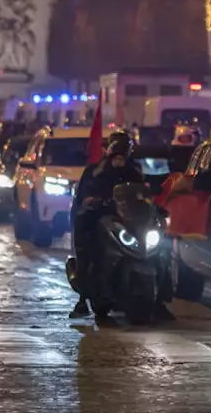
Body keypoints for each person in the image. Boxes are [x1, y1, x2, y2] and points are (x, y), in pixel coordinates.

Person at [69, 134, 146, 318]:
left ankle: (159, 300)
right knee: (88, 247)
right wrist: (93, 201)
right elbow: (84, 195)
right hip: (100, 217)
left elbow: (142, 192)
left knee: (160, 249)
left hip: (126, 220)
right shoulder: (95, 172)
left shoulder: (133, 172)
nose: (119, 162)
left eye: (122, 158)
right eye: (116, 158)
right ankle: (82, 298)